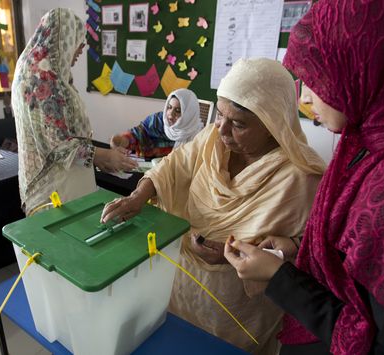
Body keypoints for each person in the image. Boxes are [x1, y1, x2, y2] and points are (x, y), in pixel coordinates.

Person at [224, 0, 384, 354]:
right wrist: (297, 250)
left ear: (368, 64)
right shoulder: (371, 141)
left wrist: (279, 278)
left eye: (318, 76)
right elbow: (363, 265)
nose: (307, 96)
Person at [101, 58, 326, 353]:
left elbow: (308, 251)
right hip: (184, 286)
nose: (222, 131)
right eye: (220, 116)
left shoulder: (301, 178)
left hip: (239, 309)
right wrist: (138, 196)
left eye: (239, 124)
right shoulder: (210, 140)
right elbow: (172, 167)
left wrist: (244, 255)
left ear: (273, 123)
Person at [12, 8, 137, 216]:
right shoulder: (41, 76)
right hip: (54, 185)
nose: (80, 51)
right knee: (66, 241)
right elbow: (59, 145)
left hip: (64, 177)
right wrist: (104, 156)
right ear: (63, 38)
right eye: (79, 42)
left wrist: (102, 159)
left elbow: (65, 134)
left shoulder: (39, 69)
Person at [110, 88, 202, 158]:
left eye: (178, 110)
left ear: (189, 114)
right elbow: (138, 134)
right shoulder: (158, 120)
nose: (170, 114)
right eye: (169, 107)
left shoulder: (198, 135)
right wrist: (122, 141)